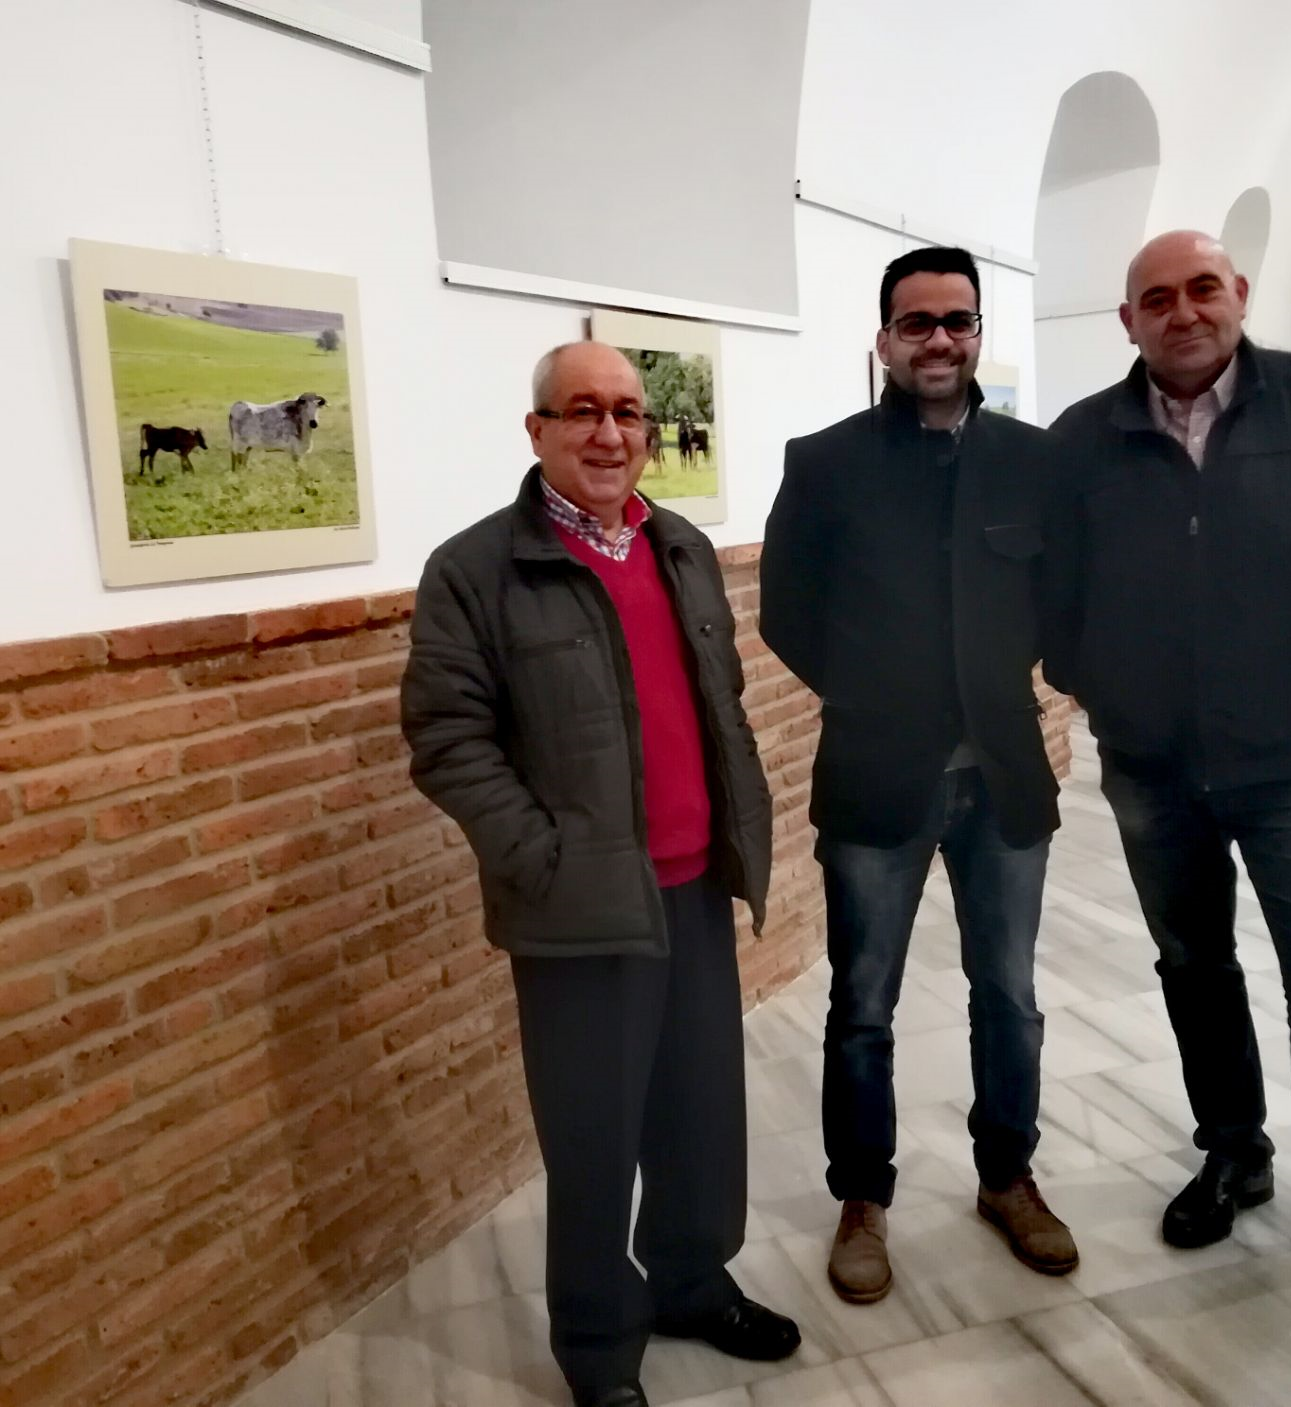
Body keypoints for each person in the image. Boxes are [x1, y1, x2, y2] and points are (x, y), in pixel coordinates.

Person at [1045, 231, 1291, 1325]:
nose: (1184, 312)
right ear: (1126, 321)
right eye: (1156, 298)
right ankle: (1233, 1152)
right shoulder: (1083, 438)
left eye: (1203, 289)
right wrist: (1099, 684)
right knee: (1193, 964)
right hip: (1152, 767)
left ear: (1239, 297)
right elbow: (1050, 586)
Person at [401, 342, 799, 1407]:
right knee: (593, 1140)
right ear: (536, 431)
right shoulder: (476, 569)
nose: (610, 433)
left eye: (629, 413)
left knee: (699, 1117)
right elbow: (446, 739)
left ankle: (689, 1282)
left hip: (693, 887)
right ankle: (597, 1348)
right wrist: (542, 857)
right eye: (581, 412)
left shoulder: (680, 549)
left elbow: (713, 708)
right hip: (579, 911)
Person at [761, 246, 1077, 1305]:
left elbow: (1060, 599)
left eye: (957, 319)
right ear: (884, 337)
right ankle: (862, 1197)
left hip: (1003, 778)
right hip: (875, 775)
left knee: (1010, 998)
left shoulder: (1033, 463)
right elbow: (786, 610)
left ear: (979, 330)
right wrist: (874, 694)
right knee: (862, 1005)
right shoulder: (825, 461)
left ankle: (1008, 1177)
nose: (938, 338)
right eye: (917, 322)